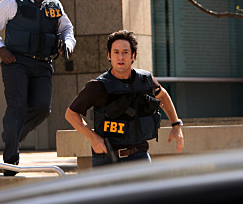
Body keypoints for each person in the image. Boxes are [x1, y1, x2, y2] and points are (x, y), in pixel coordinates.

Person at [0, 0, 76, 176]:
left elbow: (67, 28)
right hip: (16, 62)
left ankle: (12, 136)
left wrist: (68, 44)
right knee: (17, 106)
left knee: (43, 108)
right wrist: (0, 48)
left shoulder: (54, 4)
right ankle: (10, 162)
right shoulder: (11, 2)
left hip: (43, 64)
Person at [65, 30, 184, 167]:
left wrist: (176, 125)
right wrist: (92, 137)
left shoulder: (145, 80)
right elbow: (71, 114)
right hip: (107, 158)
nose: (120, 57)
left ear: (133, 56)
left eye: (125, 52)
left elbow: (163, 95)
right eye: (116, 52)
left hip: (140, 156)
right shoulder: (98, 86)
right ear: (109, 56)